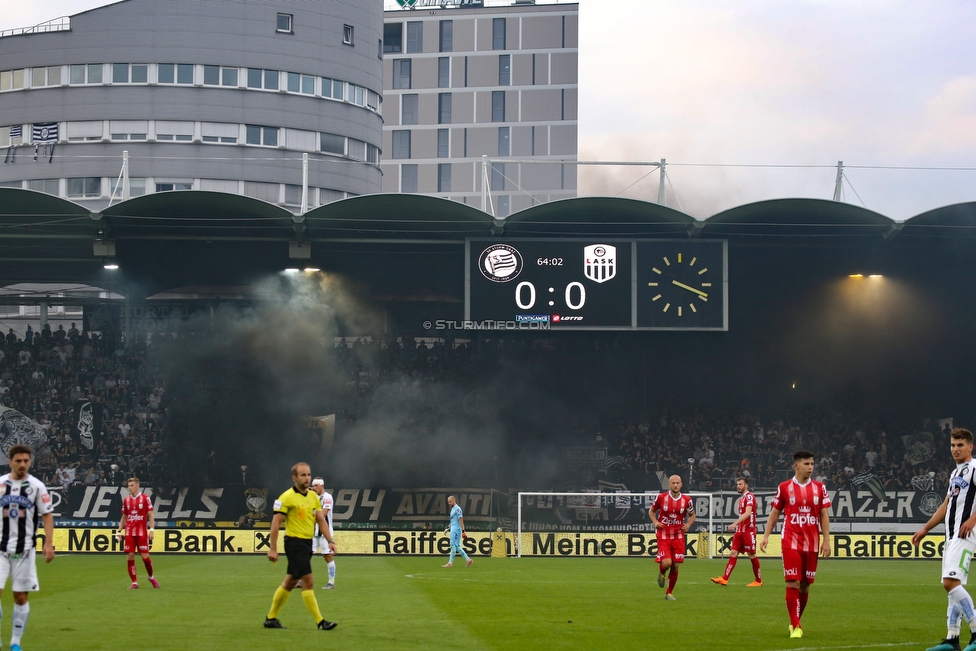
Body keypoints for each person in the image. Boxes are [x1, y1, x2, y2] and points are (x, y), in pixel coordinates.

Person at [913, 428, 976, 651]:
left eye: (960, 445)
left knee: (950, 583)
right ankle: (952, 639)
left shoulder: (975, 467)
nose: (955, 449)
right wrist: (925, 529)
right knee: (952, 586)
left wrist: (972, 520)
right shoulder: (954, 474)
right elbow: (945, 505)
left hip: (965, 534)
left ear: (970, 447)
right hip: (951, 536)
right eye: (952, 445)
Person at [760, 450, 831, 639]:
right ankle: (796, 625)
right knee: (793, 582)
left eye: (812, 464)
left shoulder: (819, 488)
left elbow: (824, 514)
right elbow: (775, 513)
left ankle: (795, 620)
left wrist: (827, 540)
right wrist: (766, 536)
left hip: (813, 543)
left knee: (805, 586)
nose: (811, 468)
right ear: (796, 465)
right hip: (791, 540)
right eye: (807, 464)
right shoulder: (784, 487)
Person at [265, 462, 337, 631]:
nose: (307, 478)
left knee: (289, 582)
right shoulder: (286, 497)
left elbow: (321, 520)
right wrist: (273, 548)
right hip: (294, 543)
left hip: (306, 544)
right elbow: (275, 524)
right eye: (303, 475)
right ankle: (320, 622)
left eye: (308, 475)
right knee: (308, 581)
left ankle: (271, 618)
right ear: (294, 478)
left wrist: (330, 541)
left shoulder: (313, 497)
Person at [0, 444, 55, 651]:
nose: (23, 464)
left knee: (20, 596)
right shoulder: (1, 484)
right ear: (10, 462)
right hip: (0, 548)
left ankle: (15, 642)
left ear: (30, 462)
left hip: (25, 549)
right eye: (19, 461)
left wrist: (48, 543)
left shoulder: (37, 486)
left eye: (26, 461)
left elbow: (47, 514)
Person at [649, 474, 695, 600]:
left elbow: (692, 515)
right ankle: (662, 572)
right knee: (667, 563)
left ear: (681, 484)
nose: (675, 485)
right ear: (669, 485)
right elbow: (651, 511)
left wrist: (688, 525)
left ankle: (669, 592)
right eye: (673, 483)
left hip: (678, 534)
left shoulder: (687, 500)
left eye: (677, 483)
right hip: (663, 533)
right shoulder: (661, 497)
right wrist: (655, 522)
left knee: (675, 565)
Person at [711, 476, 762, 587]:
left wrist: (734, 523)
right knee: (733, 553)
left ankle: (758, 581)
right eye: (737, 484)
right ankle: (724, 579)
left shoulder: (749, 497)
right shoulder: (742, 499)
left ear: (746, 485)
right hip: (740, 531)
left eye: (740, 484)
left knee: (752, 555)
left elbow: (748, 513)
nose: (738, 486)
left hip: (748, 530)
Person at [116, 476, 158, 589]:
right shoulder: (126, 500)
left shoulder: (145, 498)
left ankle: (151, 577)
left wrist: (152, 530)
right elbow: (124, 517)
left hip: (141, 532)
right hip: (129, 531)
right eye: (129, 486)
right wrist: (119, 531)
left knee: (145, 557)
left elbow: (150, 515)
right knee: (130, 555)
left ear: (138, 486)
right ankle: (134, 582)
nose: (130, 488)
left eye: (132, 485)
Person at [311, 477, 337, 589]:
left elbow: (323, 514)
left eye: (316, 485)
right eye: (313, 485)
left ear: (322, 485)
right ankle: (302, 580)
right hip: (313, 532)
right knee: (306, 555)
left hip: (324, 532)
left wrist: (310, 517)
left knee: (327, 556)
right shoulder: (312, 497)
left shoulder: (327, 497)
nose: (314, 487)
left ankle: (331, 582)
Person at [442, 495, 472, 568]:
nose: (449, 503)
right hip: (453, 529)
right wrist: (447, 528)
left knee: (452, 545)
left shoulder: (457, 509)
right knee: (457, 546)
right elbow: (453, 521)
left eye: (450, 501)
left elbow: (460, 519)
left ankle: (450, 563)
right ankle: (468, 559)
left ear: (454, 501)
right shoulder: (453, 509)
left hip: (456, 530)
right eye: (448, 502)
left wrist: (463, 530)